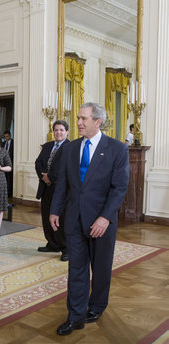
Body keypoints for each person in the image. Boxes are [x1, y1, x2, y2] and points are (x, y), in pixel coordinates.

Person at [49, 103, 129, 335]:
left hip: (101, 223)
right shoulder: (71, 148)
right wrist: (55, 210)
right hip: (74, 220)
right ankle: (75, 316)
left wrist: (105, 218)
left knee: (101, 268)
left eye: (84, 118)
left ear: (98, 121)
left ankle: (96, 306)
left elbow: (119, 188)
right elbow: (63, 183)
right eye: (78, 118)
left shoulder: (116, 149)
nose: (79, 123)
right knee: (76, 269)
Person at [35, 120, 70, 261]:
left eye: (61, 130)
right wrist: (44, 177)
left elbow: (66, 169)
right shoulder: (48, 145)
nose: (58, 132)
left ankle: (65, 248)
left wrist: (50, 177)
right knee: (46, 216)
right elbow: (38, 163)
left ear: (67, 132)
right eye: (56, 130)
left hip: (60, 190)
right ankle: (52, 243)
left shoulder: (70, 147)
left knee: (61, 220)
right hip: (46, 188)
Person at [1, 130, 14, 198]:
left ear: (10, 136)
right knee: (5, 178)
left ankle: (10, 193)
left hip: (11, 163)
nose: (6, 138)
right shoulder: (3, 143)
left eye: (7, 136)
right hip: (3, 163)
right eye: (5, 137)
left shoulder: (14, 143)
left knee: (10, 179)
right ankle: (5, 192)